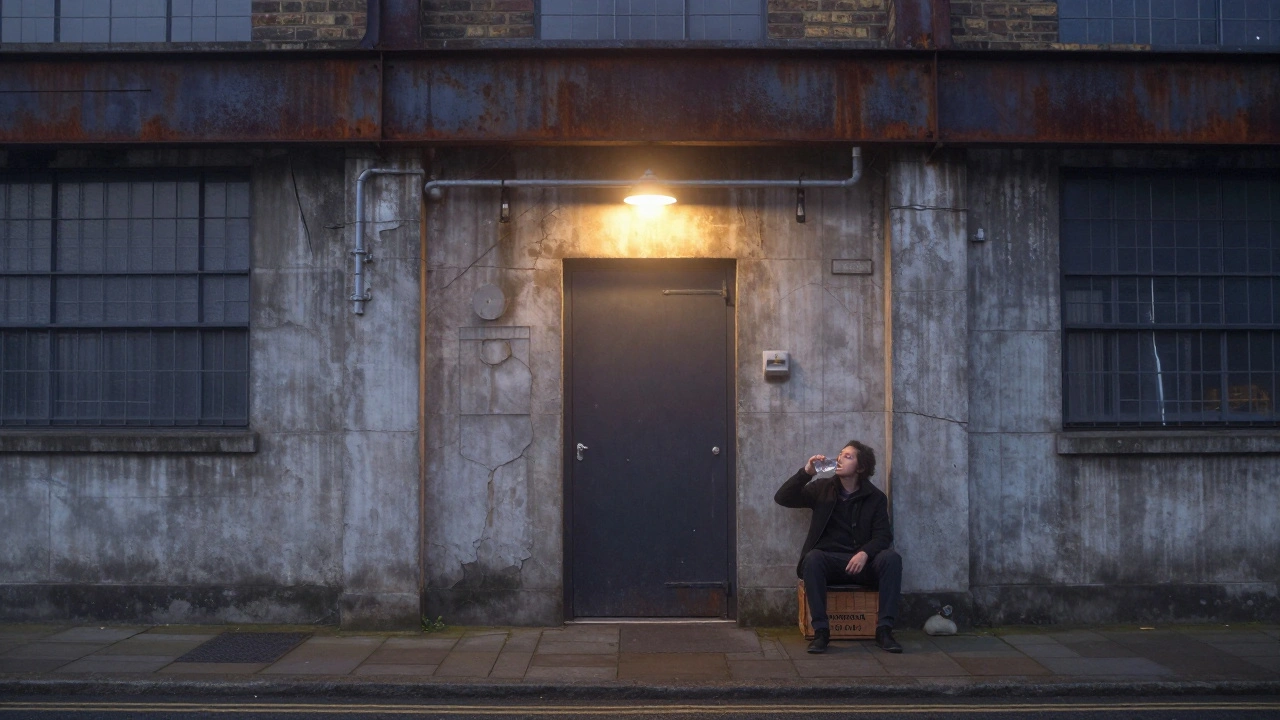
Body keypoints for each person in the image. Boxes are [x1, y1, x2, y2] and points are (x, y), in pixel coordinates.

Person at [774, 440, 903, 654]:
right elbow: (783, 497)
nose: (840, 458)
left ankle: (884, 631)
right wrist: (807, 472)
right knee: (813, 558)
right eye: (841, 454)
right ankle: (821, 633)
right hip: (829, 564)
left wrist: (865, 553)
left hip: (863, 566)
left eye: (848, 456)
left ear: (861, 468)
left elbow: (883, 536)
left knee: (891, 559)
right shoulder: (822, 489)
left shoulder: (876, 498)